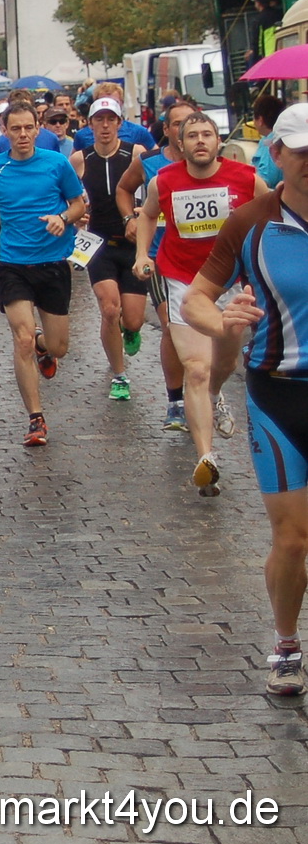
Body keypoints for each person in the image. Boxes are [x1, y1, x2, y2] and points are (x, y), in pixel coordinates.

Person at [184, 103, 308, 695]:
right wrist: (223, 319)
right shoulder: (251, 222)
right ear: (276, 154)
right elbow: (195, 300)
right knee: (293, 538)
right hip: (278, 394)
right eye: (300, 152)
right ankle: (286, 642)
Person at [136, 110, 266, 496]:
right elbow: (146, 215)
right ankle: (205, 457)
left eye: (207, 134)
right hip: (182, 280)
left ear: (218, 140)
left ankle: (213, 396)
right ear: (180, 142)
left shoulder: (245, 178)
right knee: (195, 367)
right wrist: (143, 253)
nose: (200, 141)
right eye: (192, 135)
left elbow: (275, 211)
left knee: (223, 364)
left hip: (232, 282)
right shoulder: (165, 180)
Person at [0, 99, 88, 447]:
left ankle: (45, 344)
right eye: (15, 129)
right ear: (4, 131)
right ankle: (36, 418)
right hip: (13, 265)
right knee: (21, 339)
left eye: (28, 128)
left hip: (53, 264)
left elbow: (79, 203)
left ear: (37, 129)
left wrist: (63, 219)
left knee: (59, 346)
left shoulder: (56, 164)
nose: (22, 134)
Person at [71, 96, 151, 401]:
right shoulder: (81, 158)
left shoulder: (137, 154)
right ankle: (119, 374)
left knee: (132, 319)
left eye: (110, 120)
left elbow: (152, 192)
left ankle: (130, 329)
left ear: (120, 123)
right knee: (109, 309)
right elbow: (64, 194)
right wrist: (76, 214)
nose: (105, 126)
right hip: (98, 244)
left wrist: (141, 213)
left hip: (132, 243)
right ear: (90, 124)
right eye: (99, 120)